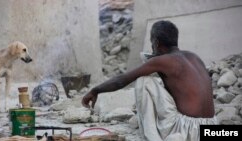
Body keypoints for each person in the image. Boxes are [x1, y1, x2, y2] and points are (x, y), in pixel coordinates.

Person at [82, 20, 217, 141]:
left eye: (152, 42)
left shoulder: (162, 61)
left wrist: (95, 90)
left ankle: (152, 137)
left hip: (187, 131)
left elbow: (122, 80)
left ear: (156, 43)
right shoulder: (194, 57)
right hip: (211, 127)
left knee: (144, 81)